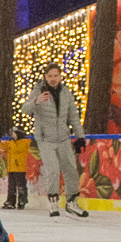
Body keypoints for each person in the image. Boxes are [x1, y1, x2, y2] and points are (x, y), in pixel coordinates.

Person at [23, 64, 88, 218]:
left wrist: (80, 137)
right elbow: (25, 109)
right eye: (50, 76)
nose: (53, 79)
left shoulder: (66, 93)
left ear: (60, 76)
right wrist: (36, 101)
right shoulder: (38, 91)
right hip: (46, 139)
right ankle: (53, 201)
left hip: (63, 138)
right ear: (45, 77)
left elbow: (73, 116)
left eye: (55, 76)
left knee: (71, 169)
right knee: (52, 169)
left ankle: (72, 201)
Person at [1, 128, 32, 210]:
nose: (12, 136)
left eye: (14, 134)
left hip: (19, 168)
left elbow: (16, 150)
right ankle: (11, 201)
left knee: (21, 185)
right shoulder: (12, 143)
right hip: (11, 168)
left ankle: (22, 200)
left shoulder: (23, 143)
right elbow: (3, 147)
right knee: (11, 186)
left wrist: (11, 142)